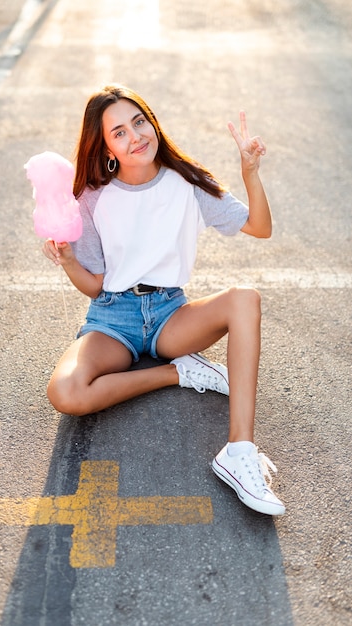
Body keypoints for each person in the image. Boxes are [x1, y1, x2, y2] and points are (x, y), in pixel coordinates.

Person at [42, 84, 285, 516]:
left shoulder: (188, 182)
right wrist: (67, 259)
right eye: (119, 132)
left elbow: (259, 227)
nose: (136, 136)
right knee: (67, 392)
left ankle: (239, 450)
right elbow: (97, 285)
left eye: (139, 122)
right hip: (112, 317)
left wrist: (250, 172)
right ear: (106, 147)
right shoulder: (92, 198)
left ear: (152, 122)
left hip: (172, 314)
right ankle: (177, 374)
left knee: (245, 298)